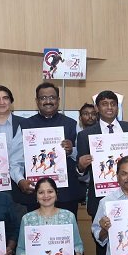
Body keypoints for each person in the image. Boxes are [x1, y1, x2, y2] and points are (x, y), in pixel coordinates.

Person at [76, 91, 128, 255]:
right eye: (103, 104)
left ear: (117, 106)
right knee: (104, 246)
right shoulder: (86, 135)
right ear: (97, 108)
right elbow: (81, 173)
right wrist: (81, 165)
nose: (108, 107)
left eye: (112, 103)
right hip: (102, 200)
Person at [18, 82, 85, 214]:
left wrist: (72, 150)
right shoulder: (25, 125)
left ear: (58, 100)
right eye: (43, 98)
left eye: (52, 97)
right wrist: (20, 180)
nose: (48, 101)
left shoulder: (72, 124)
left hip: (66, 193)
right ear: (37, 101)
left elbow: (82, 156)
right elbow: (16, 158)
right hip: (36, 193)